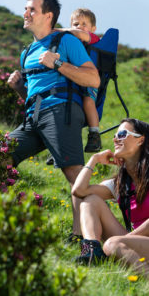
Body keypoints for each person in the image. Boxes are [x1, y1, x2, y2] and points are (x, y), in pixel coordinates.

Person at [7, 0, 100, 239]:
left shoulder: (66, 41)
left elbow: (94, 79)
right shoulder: (26, 52)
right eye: (26, 9)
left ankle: (83, 238)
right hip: (33, 117)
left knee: (75, 176)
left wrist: (57, 64)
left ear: (48, 15)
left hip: (61, 111)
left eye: (31, 10)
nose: (25, 13)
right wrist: (19, 88)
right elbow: (33, 94)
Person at [72, 118, 149, 276]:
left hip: (136, 240)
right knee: (89, 201)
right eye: (115, 135)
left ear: (140, 140)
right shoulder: (121, 183)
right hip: (137, 241)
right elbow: (78, 191)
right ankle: (92, 252)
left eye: (121, 134)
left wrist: (123, 240)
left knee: (113, 244)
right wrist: (93, 160)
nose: (115, 139)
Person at [58, 8, 102, 152]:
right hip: (73, 81)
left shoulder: (93, 38)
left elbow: (80, 34)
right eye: (76, 24)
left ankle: (94, 134)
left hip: (90, 80)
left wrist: (56, 30)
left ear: (93, 28)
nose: (79, 27)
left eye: (84, 24)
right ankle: (61, 144)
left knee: (88, 102)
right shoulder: (68, 42)